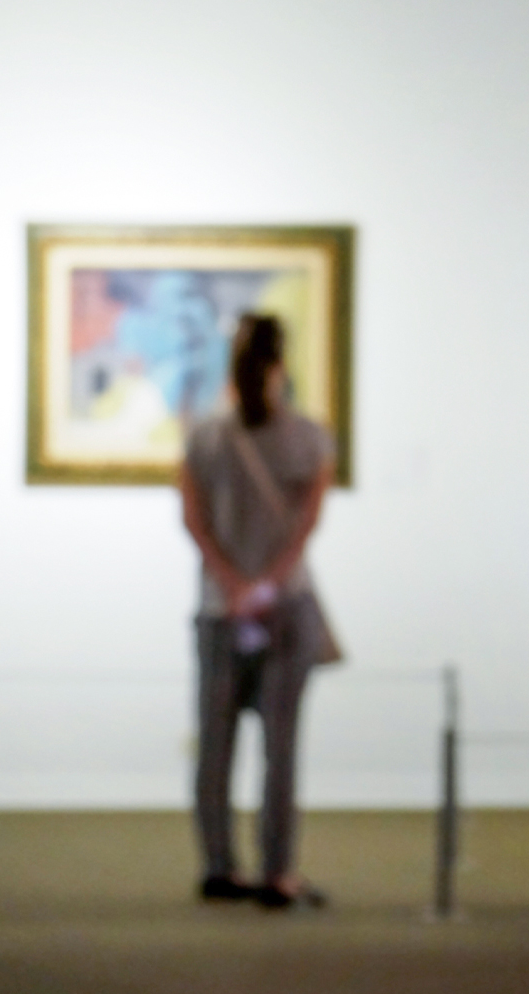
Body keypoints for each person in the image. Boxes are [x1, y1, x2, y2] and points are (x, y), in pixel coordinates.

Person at [179, 312, 335, 910]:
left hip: (219, 609)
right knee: (281, 745)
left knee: (214, 743)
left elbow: (192, 518)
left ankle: (219, 866)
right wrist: (267, 583)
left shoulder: (203, 437)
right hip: (285, 607)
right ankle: (277, 872)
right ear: (280, 365)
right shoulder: (309, 437)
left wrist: (231, 582)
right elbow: (307, 523)